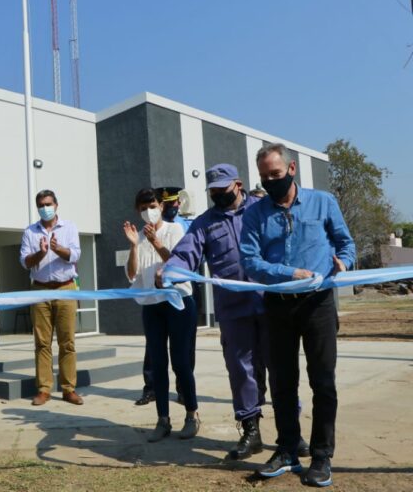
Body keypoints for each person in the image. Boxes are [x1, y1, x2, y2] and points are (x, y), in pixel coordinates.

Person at [157, 164, 307, 460]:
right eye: (212, 192)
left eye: (222, 190)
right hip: (233, 309)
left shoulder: (264, 209)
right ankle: (251, 432)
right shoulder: (205, 223)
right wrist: (170, 269)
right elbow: (187, 253)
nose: (217, 196)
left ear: (238, 185)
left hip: (270, 303)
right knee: (241, 371)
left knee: (280, 368)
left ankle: (290, 433)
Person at [240, 143, 355, 487]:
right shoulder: (255, 213)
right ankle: (288, 447)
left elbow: (346, 244)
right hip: (277, 304)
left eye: (274, 174)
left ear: (291, 170)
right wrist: (289, 274)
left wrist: (344, 262)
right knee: (282, 382)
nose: (269, 181)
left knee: (323, 380)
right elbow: (250, 262)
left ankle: (321, 455)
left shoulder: (323, 202)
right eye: (263, 176)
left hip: (318, 303)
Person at [123, 187, 199, 441]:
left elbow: (179, 263)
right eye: (143, 208)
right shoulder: (139, 237)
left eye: (152, 205)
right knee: (157, 363)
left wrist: (157, 242)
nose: (148, 211)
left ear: (162, 206)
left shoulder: (174, 230)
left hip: (178, 303)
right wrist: (135, 246)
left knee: (181, 361)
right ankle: (163, 419)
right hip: (152, 306)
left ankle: (191, 414)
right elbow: (132, 274)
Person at [20, 190, 83, 406]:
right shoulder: (30, 231)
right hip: (40, 290)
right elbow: (25, 262)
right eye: (40, 205)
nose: (44, 208)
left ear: (56, 205)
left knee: (67, 342)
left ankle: (68, 389)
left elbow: (76, 255)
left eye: (48, 203)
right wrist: (41, 253)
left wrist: (58, 249)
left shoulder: (70, 227)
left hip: (66, 288)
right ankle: (44, 389)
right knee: (42, 343)